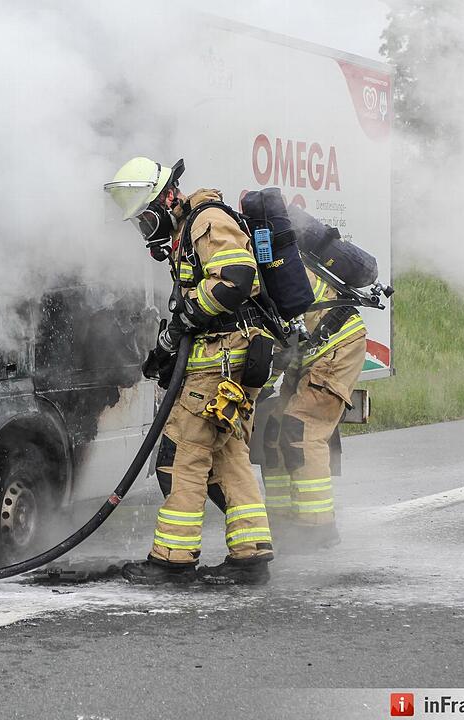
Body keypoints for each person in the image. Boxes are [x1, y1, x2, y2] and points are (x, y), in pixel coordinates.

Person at [104, 157, 275, 585]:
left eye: (147, 217)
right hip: (227, 361)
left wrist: (186, 318)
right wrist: (167, 345)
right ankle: (251, 555)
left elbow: (235, 279)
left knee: (183, 455)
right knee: (229, 456)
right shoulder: (189, 231)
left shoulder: (206, 220)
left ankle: (172, 561)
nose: (146, 229)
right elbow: (195, 305)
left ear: (167, 199)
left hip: (220, 365)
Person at [260, 266, 366, 548]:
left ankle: (318, 526)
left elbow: (267, 350)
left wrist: (253, 390)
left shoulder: (251, 276)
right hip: (307, 353)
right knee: (275, 430)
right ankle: (282, 520)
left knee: (301, 429)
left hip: (337, 345)